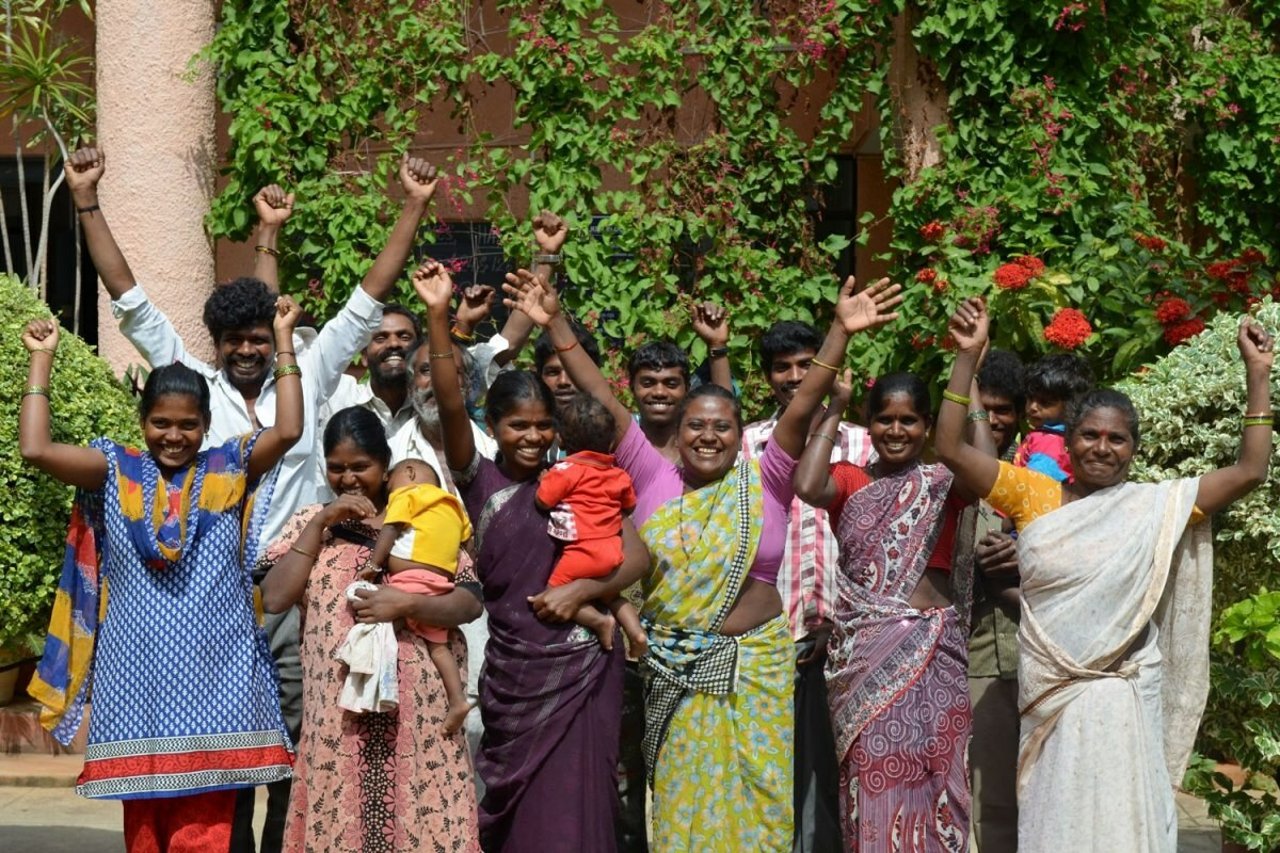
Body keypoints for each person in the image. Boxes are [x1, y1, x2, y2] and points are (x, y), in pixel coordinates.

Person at [64, 145, 440, 852]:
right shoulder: (192, 394)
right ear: (215, 342)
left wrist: (414, 206)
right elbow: (127, 295)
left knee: (297, 746)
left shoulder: (311, 369)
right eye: (233, 339)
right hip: (215, 603)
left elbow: (366, 299)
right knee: (223, 762)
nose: (247, 350)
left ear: (275, 339)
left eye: (258, 338)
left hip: (301, 591)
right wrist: (86, 198)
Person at [510, 266, 903, 851]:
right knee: (682, 810)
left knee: (761, 810)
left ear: (739, 433)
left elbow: (804, 406)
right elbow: (601, 396)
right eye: (696, 425)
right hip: (677, 670)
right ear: (679, 430)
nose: (707, 436)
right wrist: (555, 322)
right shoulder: (650, 474)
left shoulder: (766, 479)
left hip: (759, 670)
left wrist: (840, 334)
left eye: (722, 427)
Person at [936, 297, 1274, 853]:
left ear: (1133, 450)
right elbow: (949, 446)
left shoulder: (1153, 506)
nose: (1103, 447)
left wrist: (1258, 375)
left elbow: (1248, 471)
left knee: (1124, 828)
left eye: (1117, 439)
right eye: (1091, 435)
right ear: (1069, 443)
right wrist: (966, 357)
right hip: (1053, 699)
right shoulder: (1033, 492)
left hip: (1124, 696)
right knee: (1056, 822)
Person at [21, 304, 302, 851]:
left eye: (188, 425)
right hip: (136, 682)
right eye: (161, 423)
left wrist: (285, 339)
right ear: (142, 420)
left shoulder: (228, 469)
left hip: (217, 679)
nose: (174, 436)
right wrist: (41, 360)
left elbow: (289, 428)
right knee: (145, 834)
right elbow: (35, 449)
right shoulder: (115, 470)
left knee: (209, 833)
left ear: (206, 425)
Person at [419, 261, 651, 852]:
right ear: (493, 427)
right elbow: (450, 404)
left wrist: (580, 593)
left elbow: (637, 556)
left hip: (584, 667)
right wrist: (439, 317)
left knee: (586, 807)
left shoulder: (579, 476)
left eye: (544, 426)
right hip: (517, 677)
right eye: (518, 425)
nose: (533, 437)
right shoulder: (480, 477)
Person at [259, 406, 484, 852]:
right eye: (337, 468)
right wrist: (322, 523)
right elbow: (275, 597)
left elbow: (470, 600)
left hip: (417, 717)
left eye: (360, 467)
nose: (348, 479)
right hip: (338, 720)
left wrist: (409, 602)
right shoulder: (311, 523)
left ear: (384, 466)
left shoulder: (422, 512)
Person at [793, 365, 988, 851]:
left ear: (927, 425)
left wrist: (973, 386)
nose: (896, 431)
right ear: (869, 422)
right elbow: (806, 484)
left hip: (936, 657)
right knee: (872, 779)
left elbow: (987, 472)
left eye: (909, 421)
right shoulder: (852, 481)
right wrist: (835, 406)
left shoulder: (945, 482)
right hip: (865, 657)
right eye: (885, 420)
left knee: (939, 777)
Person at [742, 319, 875, 853]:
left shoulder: (865, 444)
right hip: (771, 632)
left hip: (847, 632)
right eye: (782, 367)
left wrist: (839, 619)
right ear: (768, 377)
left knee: (837, 767)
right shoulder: (749, 443)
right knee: (773, 766)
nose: (796, 377)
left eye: (806, 364)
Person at [361, 457, 473, 733]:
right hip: (440, 584)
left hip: (410, 581)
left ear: (409, 473)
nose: (389, 493)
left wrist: (374, 564)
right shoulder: (454, 505)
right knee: (438, 647)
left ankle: (372, 687)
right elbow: (468, 541)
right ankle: (458, 700)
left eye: (392, 482)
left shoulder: (408, 493)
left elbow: (391, 529)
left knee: (383, 624)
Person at [966, 348, 1025, 853]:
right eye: (982, 407)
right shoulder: (949, 472)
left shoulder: (1047, 471)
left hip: (1040, 658)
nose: (993, 419)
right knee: (987, 799)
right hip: (977, 656)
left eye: (1003, 408)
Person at [534, 392, 644, 652]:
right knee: (612, 595)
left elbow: (543, 502)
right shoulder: (617, 475)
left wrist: (543, 480)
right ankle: (636, 632)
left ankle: (599, 622)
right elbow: (629, 505)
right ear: (610, 444)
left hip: (582, 552)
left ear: (560, 439)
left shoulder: (564, 472)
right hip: (612, 551)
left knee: (553, 595)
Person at [629, 303, 732, 464]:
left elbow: (725, 410)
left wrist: (717, 344)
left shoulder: (700, 447)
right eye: (648, 383)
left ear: (687, 388)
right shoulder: (622, 442)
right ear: (632, 387)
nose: (659, 392)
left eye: (671, 384)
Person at [1013, 352, 1093, 482]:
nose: (1033, 407)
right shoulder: (1064, 437)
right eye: (1030, 398)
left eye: (1045, 402)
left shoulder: (1048, 440)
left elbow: (1035, 482)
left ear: (1070, 406)